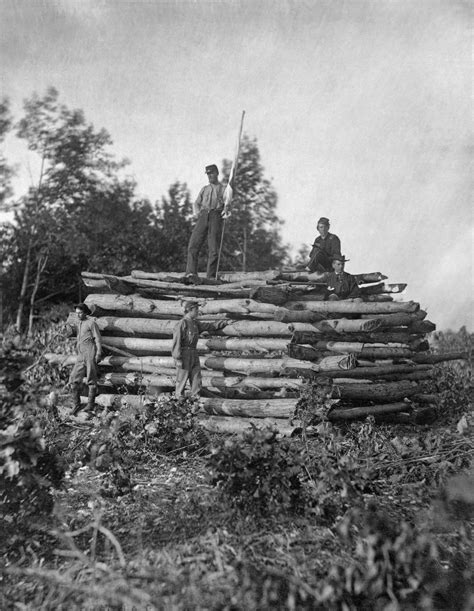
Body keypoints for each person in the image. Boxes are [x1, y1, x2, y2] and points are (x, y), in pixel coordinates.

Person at [171, 301, 227, 398]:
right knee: (182, 379)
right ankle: (178, 402)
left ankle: (195, 402)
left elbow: (211, 326)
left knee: (196, 378)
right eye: (196, 309)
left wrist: (225, 322)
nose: (198, 312)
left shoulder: (195, 323)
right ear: (190, 310)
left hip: (193, 353)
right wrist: (177, 358)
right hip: (184, 354)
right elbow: (177, 341)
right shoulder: (182, 323)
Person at [185, 164, 227, 281]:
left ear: (217, 173)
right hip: (203, 215)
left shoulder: (223, 189)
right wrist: (198, 213)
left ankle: (211, 277)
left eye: (212, 173)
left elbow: (228, 203)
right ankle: (191, 274)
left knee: (213, 248)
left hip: (215, 215)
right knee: (193, 245)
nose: (210, 176)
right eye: (208, 174)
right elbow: (196, 203)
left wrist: (225, 210)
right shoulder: (204, 189)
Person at [66, 303, 102, 415]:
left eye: (80, 313)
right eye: (77, 313)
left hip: (90, 352)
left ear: (85, 312)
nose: (78, 315)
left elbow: (97, 339)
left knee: (91, 379)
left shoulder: (91, 323)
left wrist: (99, 352)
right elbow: (70, 332)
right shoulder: (78, 323)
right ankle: (76, 404)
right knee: (73, 379)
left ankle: (90, 404)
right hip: (80, 355)